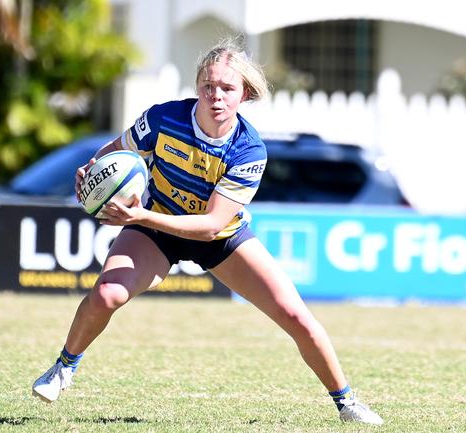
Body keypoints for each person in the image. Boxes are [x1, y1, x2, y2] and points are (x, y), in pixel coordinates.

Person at [31, 39, 383, 426]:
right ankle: (64, 367)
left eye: (227, 88)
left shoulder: (249, 151)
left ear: (244, 93)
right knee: (107, 293)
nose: (216, 95)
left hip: (219, 239)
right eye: (208, 86)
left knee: (294, 315)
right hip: (157, 223)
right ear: (197, 86)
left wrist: (139, 217)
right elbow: (117, 150)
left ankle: (347, 402)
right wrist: (92, 170)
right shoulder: (164, 118)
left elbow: (212, 224)